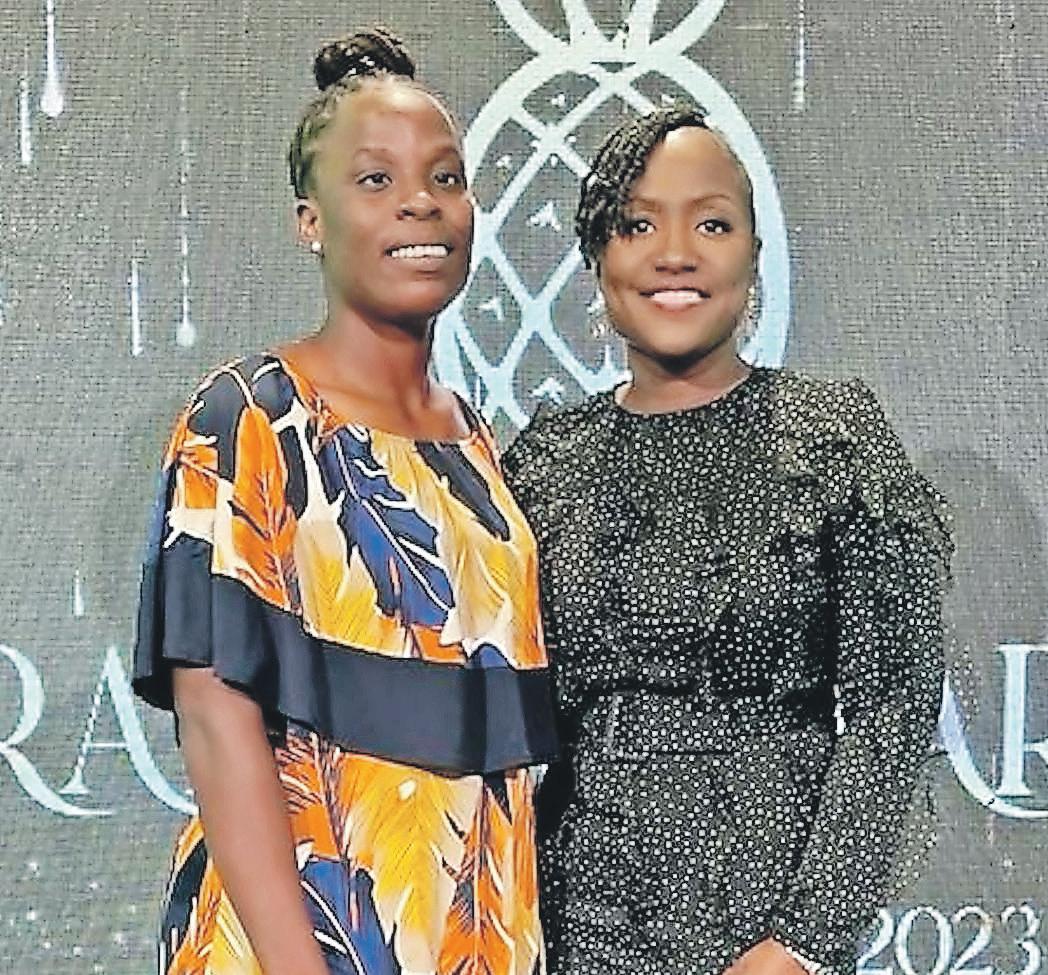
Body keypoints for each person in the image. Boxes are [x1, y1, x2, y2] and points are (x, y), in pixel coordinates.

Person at [133, 27, 556, 975]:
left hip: (470, 932)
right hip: (293, 940)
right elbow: (216, 717)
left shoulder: (477, 445)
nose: (421, 201)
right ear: (309, 220)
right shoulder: (248, 413)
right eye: (375, 179)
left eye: (446, 178)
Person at [502, 103, 951, 975]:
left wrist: (804, 943)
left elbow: (893, 703)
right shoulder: (546, 461)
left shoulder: (830, 439)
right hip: (576, 927)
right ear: (597, 258)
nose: (675, 253)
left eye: (711, 223)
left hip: (764, 922)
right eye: (638, 225)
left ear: (754, 253)